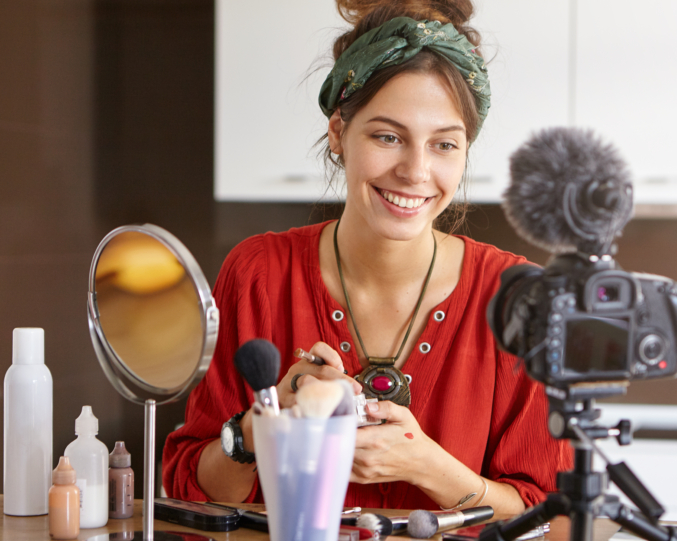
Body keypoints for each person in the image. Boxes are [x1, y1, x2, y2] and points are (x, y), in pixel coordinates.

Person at [163, 0, 572, 513]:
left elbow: (549, 516)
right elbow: (192, 489)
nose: (416, 171)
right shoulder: (259, 274)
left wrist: (426, 465)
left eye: (444, 145)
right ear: (338, 133)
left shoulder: (517, 298)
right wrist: (261, 424)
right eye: (387, 136)